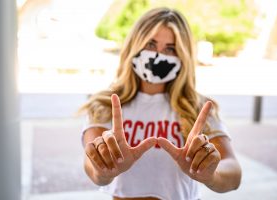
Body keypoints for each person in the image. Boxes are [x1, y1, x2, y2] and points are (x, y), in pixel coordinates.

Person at [79, 7, 242, 200]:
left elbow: (233, 172)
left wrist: (211, 175)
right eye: (150, 44)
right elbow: (92, 166)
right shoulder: (105, 105)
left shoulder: (197, 108)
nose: (158, 56)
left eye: (170, 49)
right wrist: (104, 171)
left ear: (183, 55)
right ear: (134, 46)